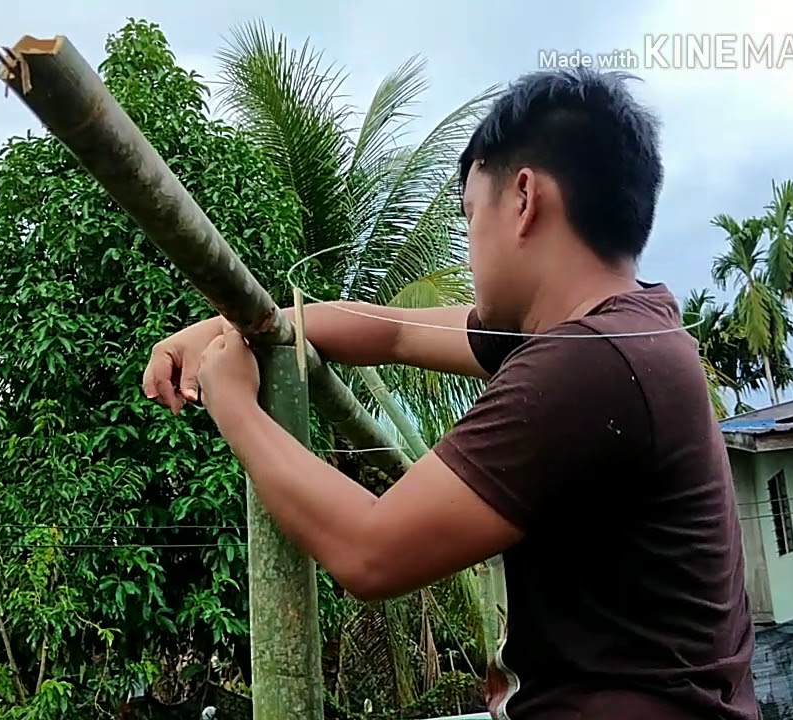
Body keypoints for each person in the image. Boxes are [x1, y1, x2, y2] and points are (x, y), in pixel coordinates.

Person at [141, 67, 758, 720]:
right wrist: (226, 324)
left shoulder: (590, 367)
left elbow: (370, 552)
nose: (469, 251)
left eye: (470, 216)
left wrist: (234, 405)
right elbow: (395, 334)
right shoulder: (626, 331)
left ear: (523, 199)